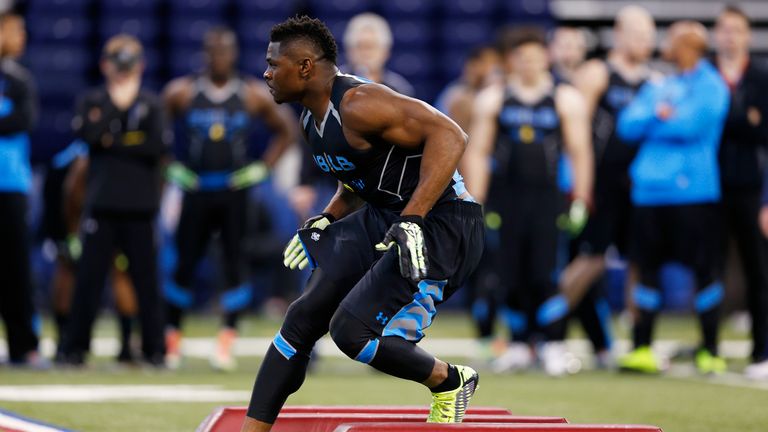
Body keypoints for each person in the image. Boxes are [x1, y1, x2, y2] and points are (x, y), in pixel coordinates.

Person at [241, 16, 484, 431]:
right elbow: (359, 179)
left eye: (273, 63)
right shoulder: (309, 117)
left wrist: (412, 218)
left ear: (304, 67)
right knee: (301, 321)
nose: (265, 73)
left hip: (442, 223)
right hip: (384, 215)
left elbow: (452, 136)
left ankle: (451, 380)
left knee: (351, 332)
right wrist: (328, 216)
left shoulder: (359, 102)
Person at [162, 27, 295, 371]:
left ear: (233, 55)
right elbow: (154, 133)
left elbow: (287, 131)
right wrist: (170, 168)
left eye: (225, 51)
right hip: (195, 189)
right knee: (185, 263)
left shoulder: (251, 93)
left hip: (234, 192)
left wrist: (260, 170)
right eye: (213, 51)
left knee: (235, 264)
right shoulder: (183, 92)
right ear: (205, 54)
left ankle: (226, 340)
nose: (219, 57)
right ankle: (172, 336)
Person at [463, 27, 593, 376]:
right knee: (509, 271)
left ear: (546, 58)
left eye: (536, 57)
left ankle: (553, 343)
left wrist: (581, 197)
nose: (530, 64)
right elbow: (478, 151)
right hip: (506, 199)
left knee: (547, 270)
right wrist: (476, 200)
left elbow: (580, 152)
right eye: (522, 58)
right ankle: (519, 343)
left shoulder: (566, 99)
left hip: (548, 199)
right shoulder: (494, 99)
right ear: (512, 61)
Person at [616, 21, 730, 374]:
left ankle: (709, 349)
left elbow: (690, 126)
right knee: (646, 271)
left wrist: (659, 121)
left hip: (692, 194)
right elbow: (627, 125)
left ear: (691, 46)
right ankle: (642, 348)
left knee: (704, 272)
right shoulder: (661, 86)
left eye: (673, 40)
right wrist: (657, 114)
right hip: (650, 194)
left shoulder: (711, 85)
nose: (665, 44)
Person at [56, 34, 168, 366]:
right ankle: (73, 349)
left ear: (141, 66)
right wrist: (116, 110)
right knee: (88, 280)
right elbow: (88, 137)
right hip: (102, 205)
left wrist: (112, 140)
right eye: (117, 65)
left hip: (140, 206)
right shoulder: (93, 100)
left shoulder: (152, 103)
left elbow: (155, 147)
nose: (122, 72)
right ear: (105, 66)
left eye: (129, 65)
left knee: (146, 283)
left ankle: (154, 350)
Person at [561, 5, 657, 368]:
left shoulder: (654, 81)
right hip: (600, 184)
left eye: (649, 36)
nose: (645, 43)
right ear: (619, 35)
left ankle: (637, 343)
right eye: (638, 35)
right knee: (591, 259)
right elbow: (577, 133)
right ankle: (546, 331)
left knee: (639, 262)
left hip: (640, 187)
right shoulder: (597, 73)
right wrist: (578, 185)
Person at [713, 5, 768, 380]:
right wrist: (743, 119)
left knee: (759, 270)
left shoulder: (762, 76)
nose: (730, 36)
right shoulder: (704, 75)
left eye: (737, 30)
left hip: (750, 187)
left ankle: (762, 350)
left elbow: (761, 133)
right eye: (724, 29)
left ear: (747, 35)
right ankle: (708, 348)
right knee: (709, 270)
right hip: (706, 187)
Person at [0, 16, 41, 367]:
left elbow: (23, 120)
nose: (21, 37)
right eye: (15, 30)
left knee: (16, 268)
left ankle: (23, 345)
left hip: (11, 184)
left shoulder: (18, 80)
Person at [341, 12, 414, 97]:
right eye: (360, 46)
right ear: (349, 51)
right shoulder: (333, 84)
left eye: (371, 47)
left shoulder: (398, 89)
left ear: (385, 52)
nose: (366, 54)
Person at [434, 45, 500, 131]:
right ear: (472, 65)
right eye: (488, 63)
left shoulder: (496, 92)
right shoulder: (457, 94)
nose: (492, 69)